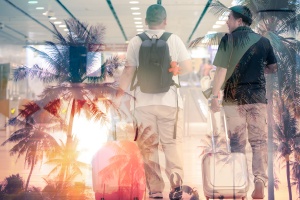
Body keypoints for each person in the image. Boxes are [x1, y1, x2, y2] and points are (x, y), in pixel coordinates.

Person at [114, 4, 192, 200]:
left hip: (143, 103)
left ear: (146, 21)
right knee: (172, 145)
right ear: (165, 21)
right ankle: (176, 188)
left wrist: (118, 96)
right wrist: (174, 70)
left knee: (148, 147)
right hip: (170, 102)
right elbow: (188, 67)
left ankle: (155, 191)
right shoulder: (173, 39)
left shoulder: (136, 41)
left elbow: (128, 71)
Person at [210, 5, 277, 199]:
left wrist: (215, 96)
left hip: (233, 101)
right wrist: (257, 71)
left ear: (239, 21)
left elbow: (221, 70)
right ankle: (259, 181)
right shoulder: (264, 42)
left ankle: (241, 186)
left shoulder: (228, 40)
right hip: (257, 100)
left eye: (229, 18)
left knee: (237, 144)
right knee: (259, 142)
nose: (226, 22)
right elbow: (273, 67)